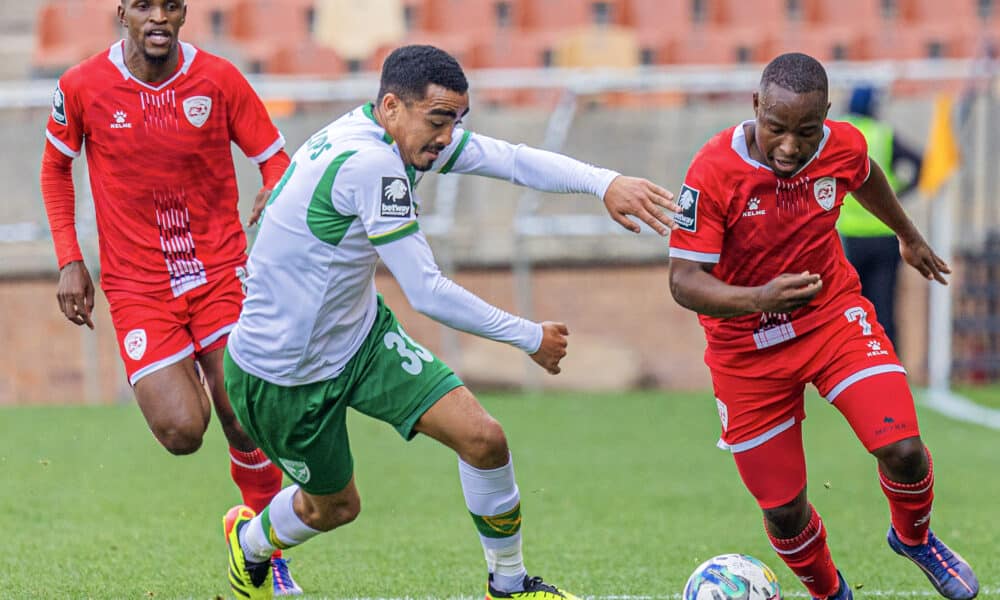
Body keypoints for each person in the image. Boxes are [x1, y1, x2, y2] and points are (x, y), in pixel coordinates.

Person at [221, 44, 679, 600]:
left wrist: (603, 181)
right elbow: (426, 291)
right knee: (335, 508)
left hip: (360, 340)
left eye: (456, 120)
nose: (447, 136)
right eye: (438, 120)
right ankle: (249, 543)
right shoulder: (371, 164)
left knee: (484, 440)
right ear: (392, 106)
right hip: (282, 375)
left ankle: (508, 586)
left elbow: (510, 158)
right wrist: (527, 336)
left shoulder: (393, 134)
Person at [667, 53, 978, 600]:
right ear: (756, 106)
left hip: (829, 319)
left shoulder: (844, 142)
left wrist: (907, 233)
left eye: (807, 132)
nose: (790, 146)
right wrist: (756, 298)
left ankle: (915, 539)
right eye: (777, 129)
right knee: (785, 510)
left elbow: (866, 175)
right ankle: (832, 593)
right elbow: (683, 281)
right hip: (745, 351)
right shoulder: (712, 170)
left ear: (827, 117)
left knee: (903, 448)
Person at [39, 1, 302, 594]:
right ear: (122, 13)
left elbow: (277, 159)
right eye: (144, 6)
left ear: (185, 13)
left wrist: (276, 190)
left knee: (243, 415)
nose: (158, 16)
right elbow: (55, 168)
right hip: (138, 287)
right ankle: (244, 513)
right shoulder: (82, 85)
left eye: (171, 5)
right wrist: (70, 259)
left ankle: (261, 548)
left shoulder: (220, 79)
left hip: (219, 273)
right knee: (184, 431)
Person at [836, 84, 924, 347]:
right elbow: (920, 163)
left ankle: (854, 364)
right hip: (886, 235)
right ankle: (890, 363)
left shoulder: (837, 135)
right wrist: (895, 196)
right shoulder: (883, 134)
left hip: (848, 238)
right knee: (884, 307)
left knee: (850, 307)